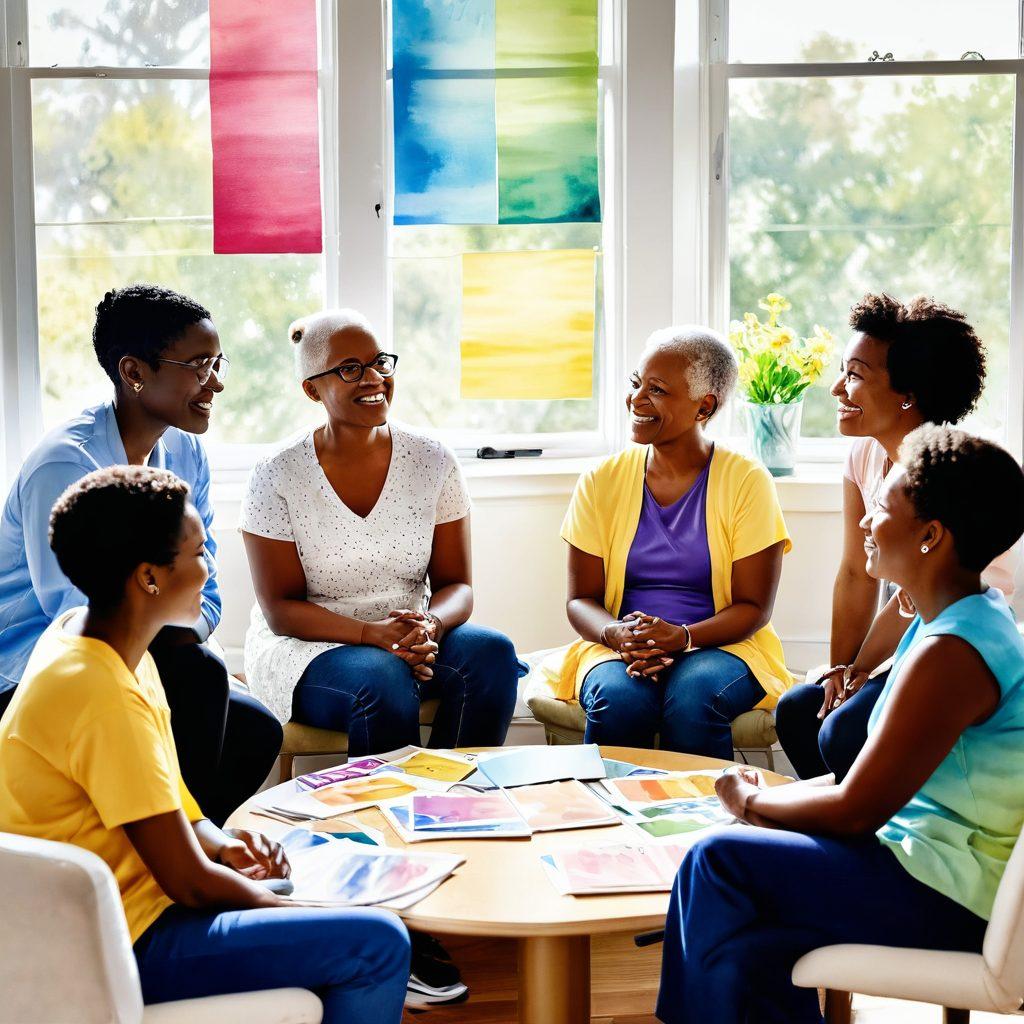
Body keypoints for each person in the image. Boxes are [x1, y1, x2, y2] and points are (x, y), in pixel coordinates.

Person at [0, 466, 410, 1021]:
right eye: (197, 553)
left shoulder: (100, 640)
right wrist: (291, 906)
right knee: (377, 942)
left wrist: (222, 843)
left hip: (135, 908)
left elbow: (169, 805)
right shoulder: (100, 692)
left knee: (319, 902)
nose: (209, 568)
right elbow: (190, 884)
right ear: (149, 577)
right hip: (113, 940)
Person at [655, 424, 1024, 1024]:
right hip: (928, 865)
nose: (866, 522)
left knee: (716, 860)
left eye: (882, 509)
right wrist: (766, 804)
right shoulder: (957, 617)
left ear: (930, 536)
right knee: (746, 946)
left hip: (953, 896)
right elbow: (871, 787)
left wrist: (749, 803)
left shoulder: (953, 655)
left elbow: (856, 810)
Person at [0, 285, 281, 825]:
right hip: (32, 667)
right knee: (199, 675)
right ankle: (177, 855)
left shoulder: (185, 449)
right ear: (134, 372)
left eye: (217, 363)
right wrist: (186, 647)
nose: (216, 382)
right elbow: (79, 617)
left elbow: (204, 586)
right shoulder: (64, 466)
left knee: (256, 728)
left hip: (140, 644)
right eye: (199, 366)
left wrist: (188, 638)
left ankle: (186, 844)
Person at [240, 308, 519, 754]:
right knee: (382, 677)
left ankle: (454, 790)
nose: (374, 378)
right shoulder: (277, 473)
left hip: (408, 636)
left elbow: (457, 586)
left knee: (492, 653)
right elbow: (281, 610)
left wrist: (429, 625)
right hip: (309, 649)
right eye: (350, 369)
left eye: (379, 362)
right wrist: (373, 635)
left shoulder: (433, 460)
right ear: (312, 389)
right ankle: (389, 800)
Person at [776, 293, 1018, 782]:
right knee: (801, 710)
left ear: (907, 393)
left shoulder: (953, 470)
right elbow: (854, 573)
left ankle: (864, 814)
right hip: (902, 641)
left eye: (855, 375)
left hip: (952, 649)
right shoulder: (864, 455)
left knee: (841, 732)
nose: (836, 389)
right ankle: (844, 816)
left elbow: (918, 596)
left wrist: (863, 667)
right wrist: (840, 672)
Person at [540, 325, 792, 758]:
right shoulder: (601, 480)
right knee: (619, 699)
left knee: (694, 696)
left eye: (656, 390)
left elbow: (754, 607)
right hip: (620, 646)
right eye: (636, 383)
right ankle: (612, 804)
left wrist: (683, 637)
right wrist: (618, 634)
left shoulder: (748, 480)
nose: (636, 399)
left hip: (722, 647)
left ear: (704, 406)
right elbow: (581, 599)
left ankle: (706, 804)